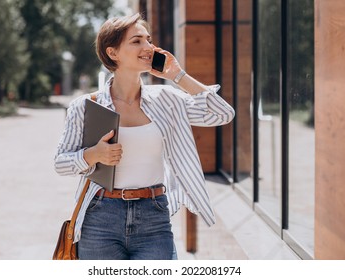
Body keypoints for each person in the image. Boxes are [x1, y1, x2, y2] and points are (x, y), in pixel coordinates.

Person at [54, 13, 235, 260]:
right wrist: (94, 154)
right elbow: (61, 163)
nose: (149, 47)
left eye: (148, 40)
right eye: (136, 41)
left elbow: (222, 114)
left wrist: (178, 76)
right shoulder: (85, 106)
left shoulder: (166, 100)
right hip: (100, 217)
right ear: (113, 53)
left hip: (154, 216)